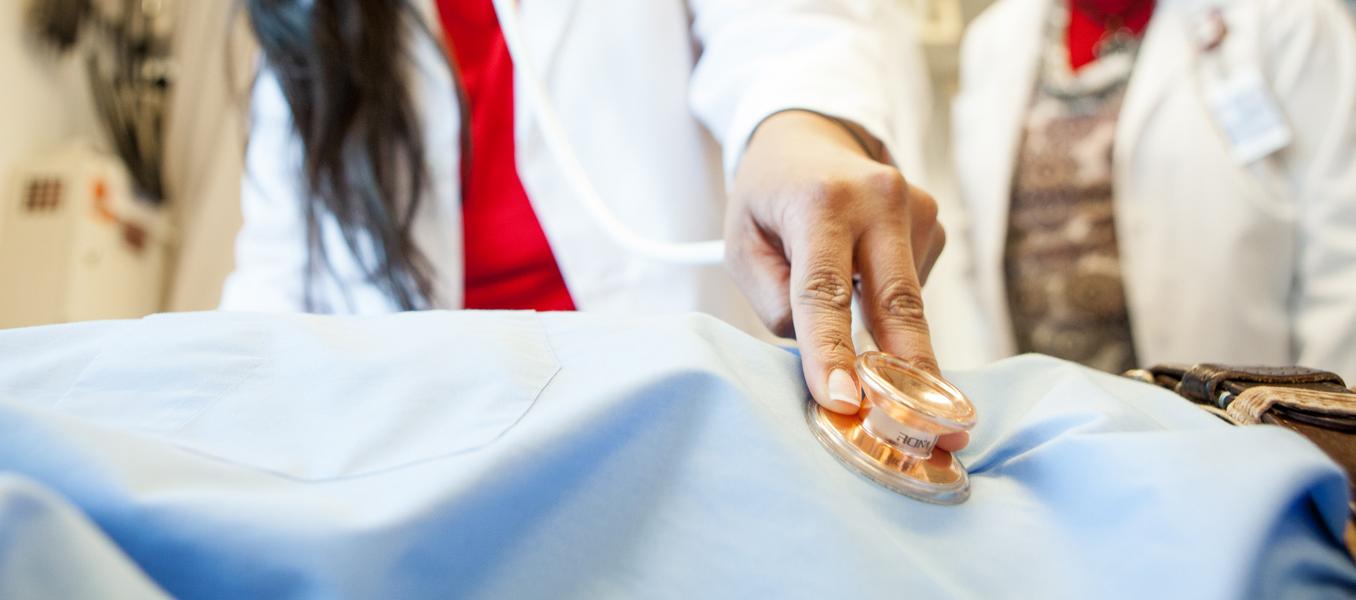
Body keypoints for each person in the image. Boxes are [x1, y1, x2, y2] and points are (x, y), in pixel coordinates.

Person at [223, 0, 959, 441]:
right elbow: (273, 280)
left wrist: (801, 132)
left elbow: (786, 33)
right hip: (433, 465)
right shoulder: (306, 29)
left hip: (674, 433)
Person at [951, 0, 1356, 374]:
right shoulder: (996, 38)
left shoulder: (1289, 20)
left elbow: (1342, 258)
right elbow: (973, 254)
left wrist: (1328, 433)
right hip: (1041, 424)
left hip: (1241, 430)